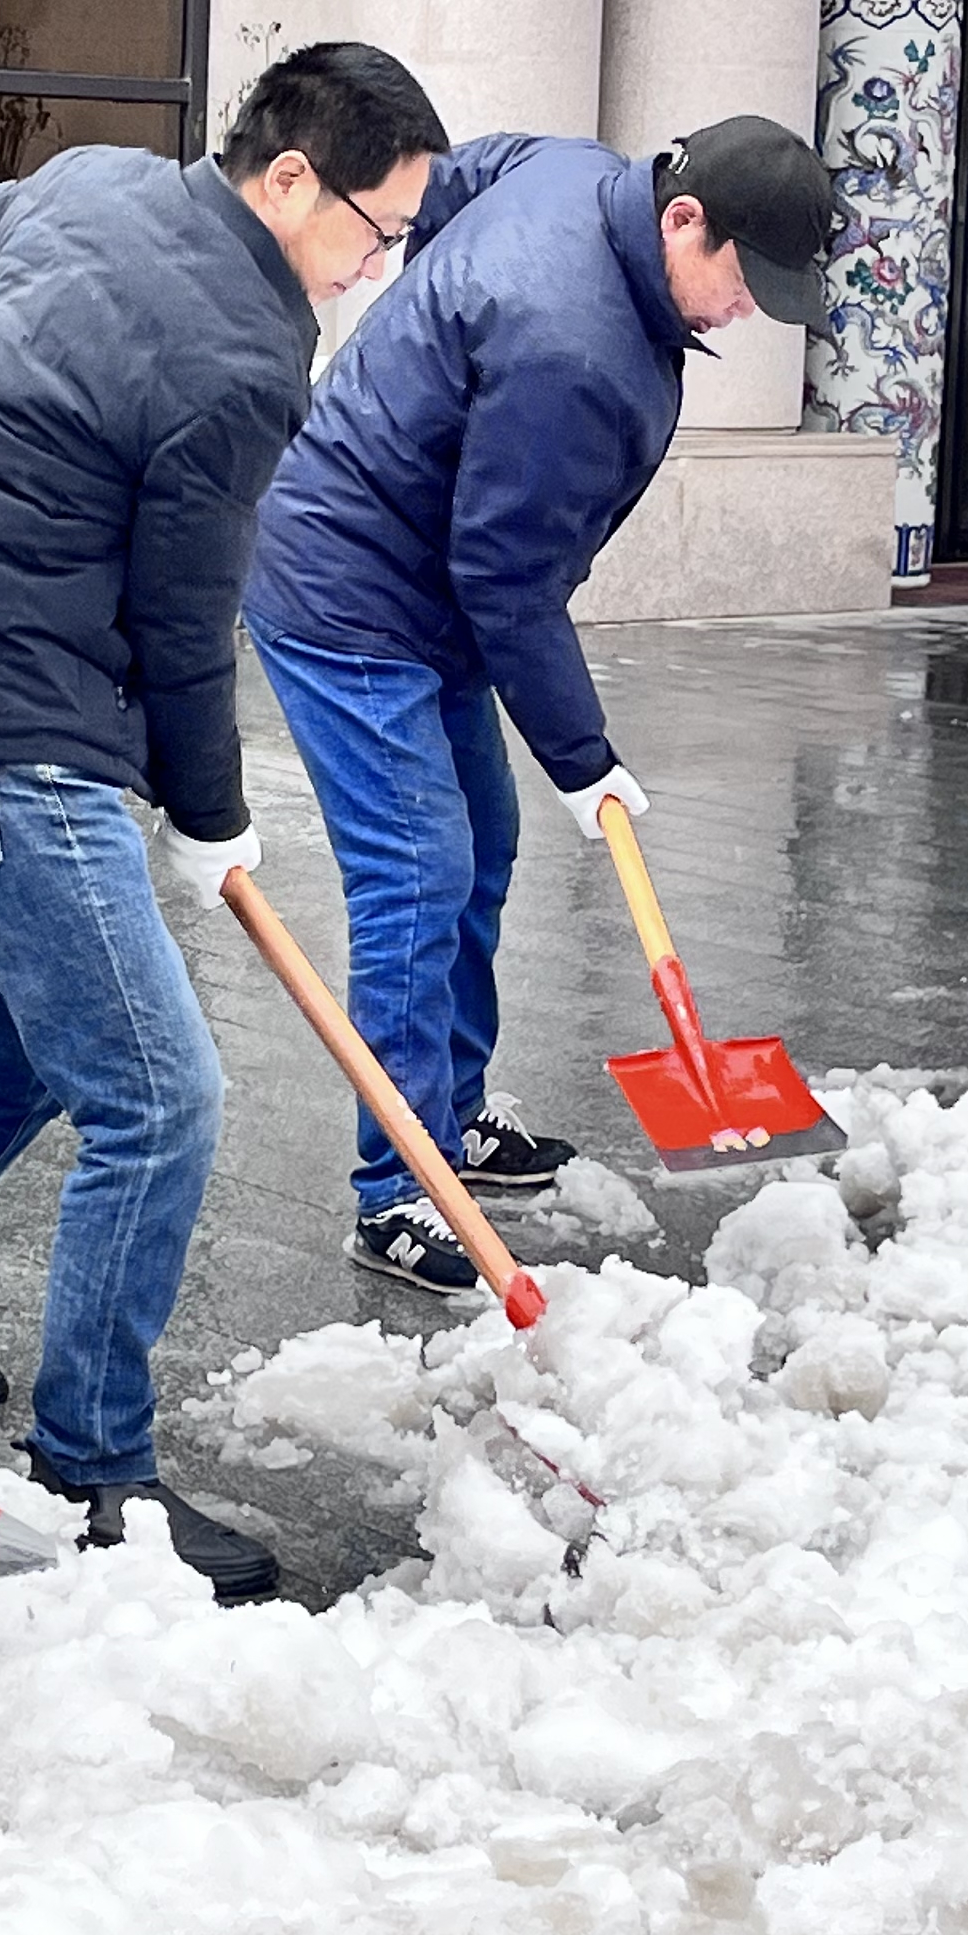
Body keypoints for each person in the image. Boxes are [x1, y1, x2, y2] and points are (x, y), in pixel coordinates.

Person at [0, 42, 450, 1605]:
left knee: (21, 1041)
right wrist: (211, 822)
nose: (372, 265)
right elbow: (187, 611)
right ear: (288, 179)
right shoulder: (239, 359)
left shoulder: (96, 181)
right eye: (370, 226)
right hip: (11, 740)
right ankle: (97, 1475)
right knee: (160, 1097)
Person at [239, 115, 833, 1291]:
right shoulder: (571, 344)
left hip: (435, 576)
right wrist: (583, 755)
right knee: (419, 870)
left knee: (482, 845)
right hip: (349, 591)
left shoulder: (577, 174)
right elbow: (509, 578)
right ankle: (395, 1189)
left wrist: (435, 349)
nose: (743, 311)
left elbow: (462, 173)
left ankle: (447, 1114)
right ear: (683, 217)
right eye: (739, 279)